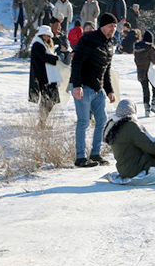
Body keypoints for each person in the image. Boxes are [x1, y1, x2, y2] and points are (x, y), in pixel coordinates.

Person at [70, 13, 117, 167]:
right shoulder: (89, 39)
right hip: (83, 86)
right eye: (111, 26)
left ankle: (96, 154)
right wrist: (77, 85)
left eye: (115, 27)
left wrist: (109, 90)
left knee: (102, 120)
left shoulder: (109, 44)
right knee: (83, 121)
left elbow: (107, 69)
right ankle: (80, 158)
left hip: (98, 88)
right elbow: (76, 62)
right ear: (102, 26)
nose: (113, 29)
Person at [29, 25, 62, 124]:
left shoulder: (43, 44)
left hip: (48, 76)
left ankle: (43, 120)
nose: (48, 37)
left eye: (48, 35)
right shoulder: (37, 45)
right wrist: (57, 58)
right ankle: (42, 121)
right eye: (46, 35)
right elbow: (44, 58)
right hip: (44, 77)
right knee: (47, 99)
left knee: (50, 99)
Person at [134, 30, 155, 117]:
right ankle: (154, 104)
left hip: (141, 73)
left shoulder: (136, 47)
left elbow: (136, 60)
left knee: (145, 90)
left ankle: (146, 109)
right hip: (150, 72)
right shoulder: (150, 48)